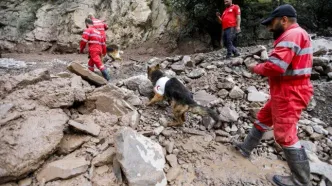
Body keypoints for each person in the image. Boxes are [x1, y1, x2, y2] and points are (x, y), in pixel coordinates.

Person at [235, 4, 313, 186]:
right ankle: (246, 148)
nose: (270, 27)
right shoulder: (296, 34)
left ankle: (301, 181)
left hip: (290, 92)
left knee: (285, 134)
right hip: (285, 90)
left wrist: (255, 67)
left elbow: (276, 67)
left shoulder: (292, 34)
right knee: (263, 117)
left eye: (272, 23)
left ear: (284, 20)